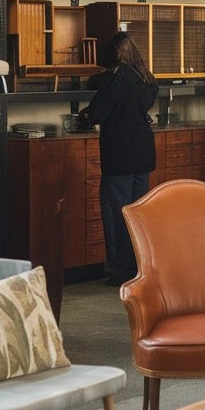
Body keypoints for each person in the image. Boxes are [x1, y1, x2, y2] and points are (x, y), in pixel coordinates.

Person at [81, 31, 159, 286]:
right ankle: (141, 266)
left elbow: (96, 112)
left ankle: (120, 271)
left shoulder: (117, 80)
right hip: (143, 152)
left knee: (117, 215)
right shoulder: (146, 77)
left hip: (120, 154)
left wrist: (85, 116)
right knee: (139, 214)